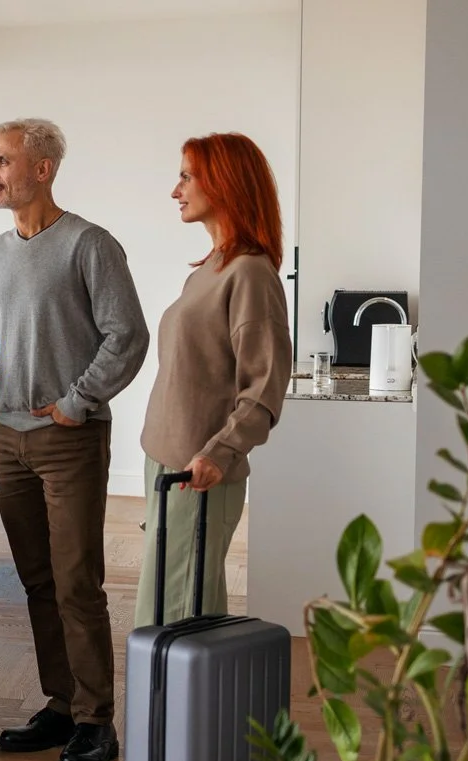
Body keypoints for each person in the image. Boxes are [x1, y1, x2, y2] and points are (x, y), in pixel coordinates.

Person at [0, 118, 149, 761]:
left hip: (69, 438)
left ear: (42, 169)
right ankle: (63, 705)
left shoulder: (90, 245)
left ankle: (97, 722)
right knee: (38, 580)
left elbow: (127, 335)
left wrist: (77, 402)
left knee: (76, 582)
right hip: (10, 438)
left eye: (2, 161)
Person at [135, 132, 292, 628]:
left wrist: (218, 454)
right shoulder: (211, 269)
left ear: (223, 183)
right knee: (178, 610)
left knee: (173, 618)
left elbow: (264, 387)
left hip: (198, 473)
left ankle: (169, 687)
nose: (175, 190)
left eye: (186, 177)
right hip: (169, 464)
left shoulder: (250, 274)